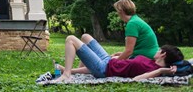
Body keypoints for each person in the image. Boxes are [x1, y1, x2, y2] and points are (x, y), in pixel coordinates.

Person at [51, 34, 183, 83]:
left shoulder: (153, 69)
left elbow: (136, 79)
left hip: (103, 69)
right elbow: (130, 61)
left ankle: (67, 74)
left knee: (70, 39)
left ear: (163, 54)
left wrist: (161, 71)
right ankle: (73, 71)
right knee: (85, 37)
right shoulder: (151, 61)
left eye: (160, 50)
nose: (157, 50)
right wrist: (118, 55)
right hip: (109, 61)